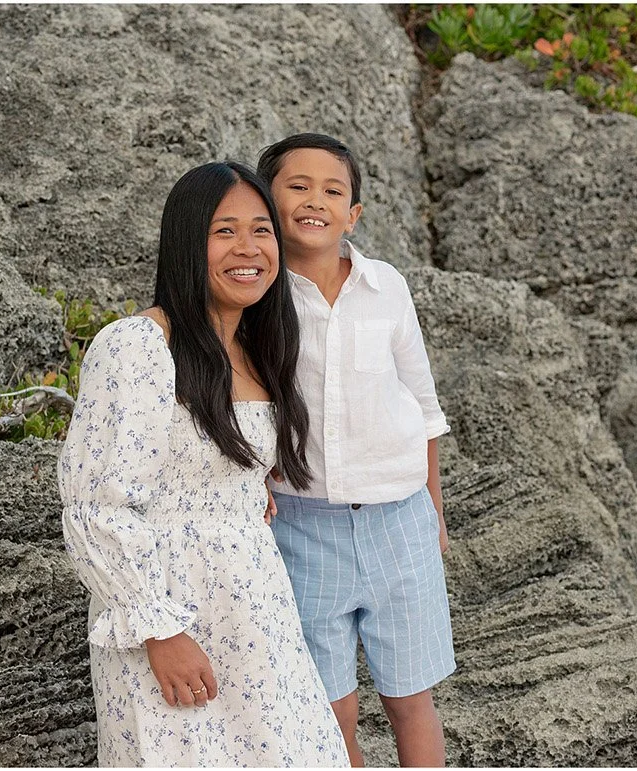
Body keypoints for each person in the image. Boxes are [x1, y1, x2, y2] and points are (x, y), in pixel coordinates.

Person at [59, 160, 347, 766]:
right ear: (187, 242)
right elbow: (95, 504)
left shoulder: (257, 348)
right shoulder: (140, 345)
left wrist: (243, 489)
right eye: (224, 231)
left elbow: (221, 467)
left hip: (257, 607)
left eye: (262, 230)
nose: (248, 249)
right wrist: (160, 630)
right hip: (171, 610)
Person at [256, 132, 455, 767]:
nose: (315, 200)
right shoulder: (260, 297)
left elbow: (422, 405)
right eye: (297, 186)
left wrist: (435, 511)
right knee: (329, 705)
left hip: (400, 522)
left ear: (354, 214)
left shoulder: (387, 288)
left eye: (332, 190)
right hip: (301, 527)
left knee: (409, 698)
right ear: (268, 200)